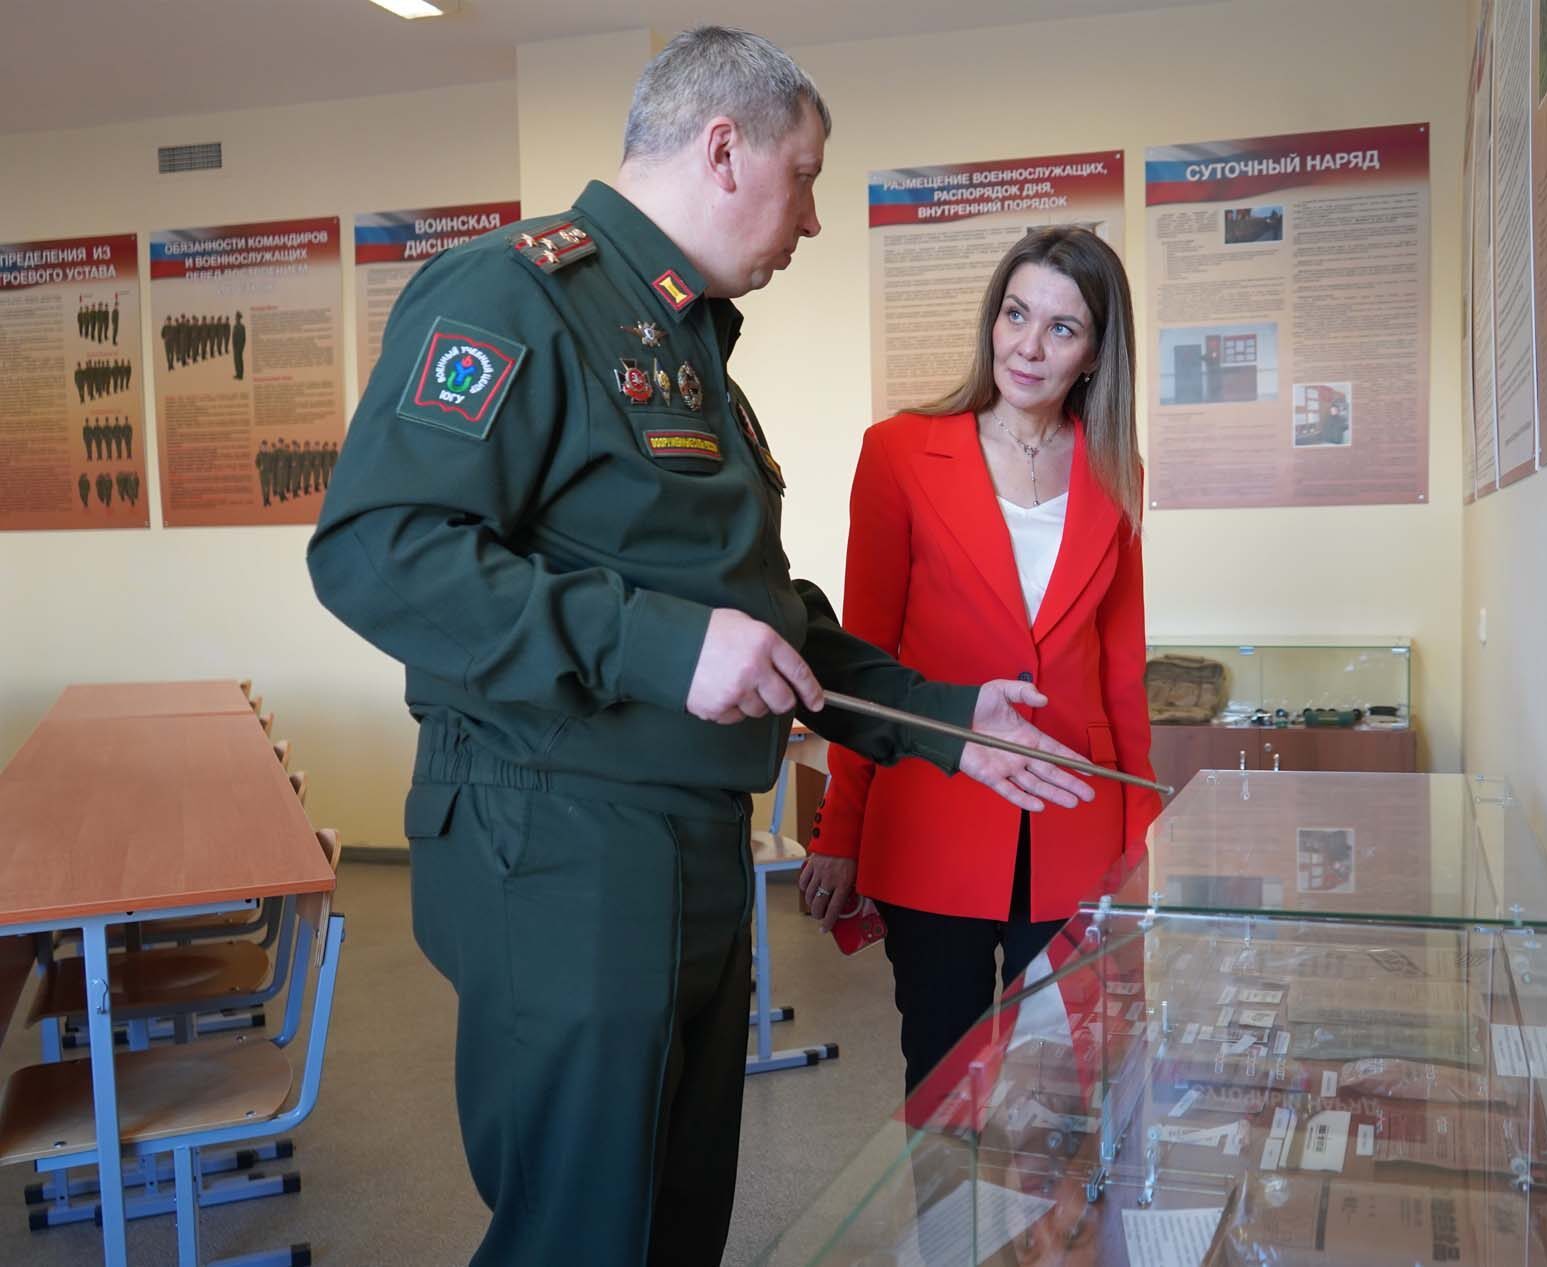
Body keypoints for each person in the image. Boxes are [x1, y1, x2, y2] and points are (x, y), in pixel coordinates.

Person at [306, 25, 1095, 1267]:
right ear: (724, 150)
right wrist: (663, 647)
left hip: (687, 838)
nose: (814, 219)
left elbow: (760, 620)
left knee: (673, 1225)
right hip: (560, 832)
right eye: (806, 175)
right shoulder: (515, 294)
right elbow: (376, 550)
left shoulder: (687, 346)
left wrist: (947, 720)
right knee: (584, 1233)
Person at [798, 227, 1160, 1099]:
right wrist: (839, 831)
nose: (1028, 346)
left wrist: (1142, 845)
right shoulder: (898, 453)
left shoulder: (1117, 469)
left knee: (1063, 1087)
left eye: (1062, 328)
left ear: (1095, 353)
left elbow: (1122, 677)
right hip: (935, 814)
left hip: (1075, 820)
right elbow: (865, 661)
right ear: (992, 319)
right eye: (1016, 314)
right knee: (944, 1083)